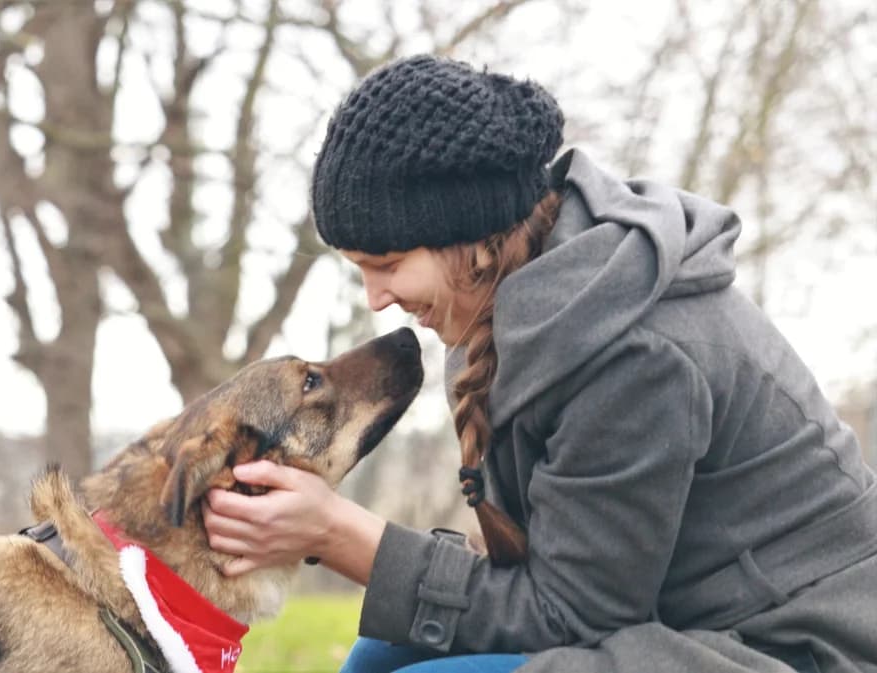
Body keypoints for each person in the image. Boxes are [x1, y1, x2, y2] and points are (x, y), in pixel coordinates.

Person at [200, 54, 877, 673]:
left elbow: (574, 616)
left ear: (470, 237)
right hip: (668, 623)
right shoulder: (512, 300)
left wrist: (338, 532)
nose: (377, 299)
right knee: (383, 651)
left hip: (786, 647)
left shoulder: (635, 353)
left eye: (387, 264)